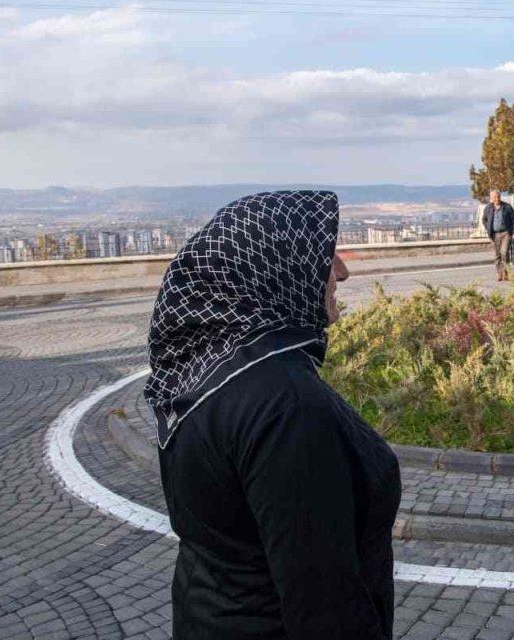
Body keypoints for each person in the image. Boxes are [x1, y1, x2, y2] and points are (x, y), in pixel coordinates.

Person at [144, 190, 400, 639]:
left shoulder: (199, 375)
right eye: (323, 255)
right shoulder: (287, 408)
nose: (341, 270)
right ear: (274, 269)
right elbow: (325, 606)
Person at [482, 190, 514, 281]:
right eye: (495, 197)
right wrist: (488, 228)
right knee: (497, 255)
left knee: (504, 252)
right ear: (491, 199)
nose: (497, 199)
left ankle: (506, 271)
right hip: (495, 234)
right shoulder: (488, 208)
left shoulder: (507, 207)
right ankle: (499, 273)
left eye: (498, 197)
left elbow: (513, 219)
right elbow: (484, 220)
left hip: (506, 233)